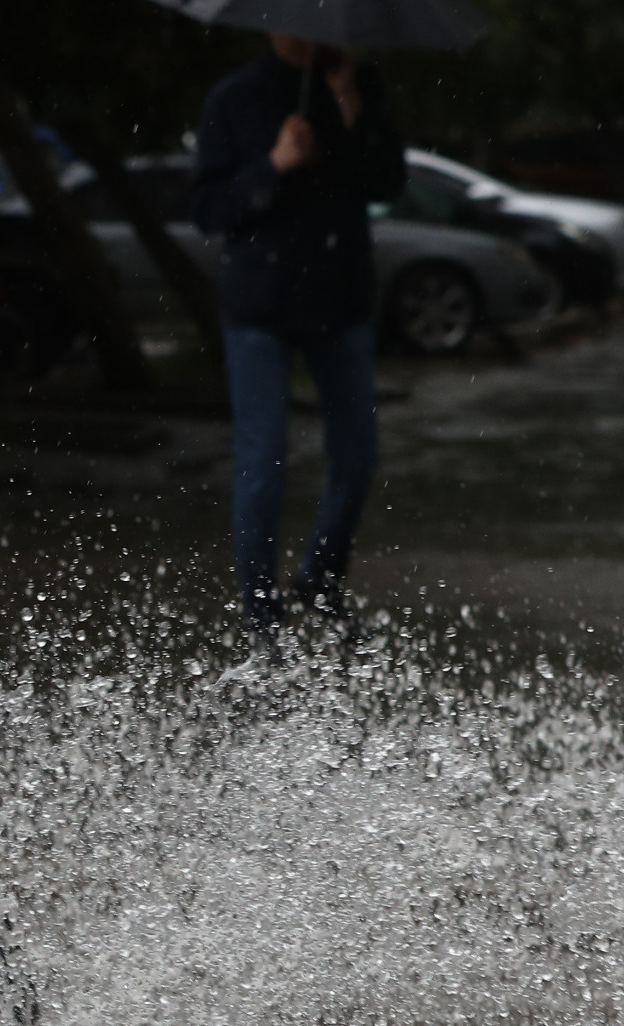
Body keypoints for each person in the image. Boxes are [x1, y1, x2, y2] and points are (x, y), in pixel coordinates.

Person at [190, 33, 406, 633]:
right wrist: (274, 165)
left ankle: (321, 577)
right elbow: (209, 208)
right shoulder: (236, 98)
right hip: (259, 304)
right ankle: (260, 612)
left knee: (357, 454)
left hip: (340, 299)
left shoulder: (357, 89)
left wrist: (349, 106)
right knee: (264, 460)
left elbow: (387, 182)